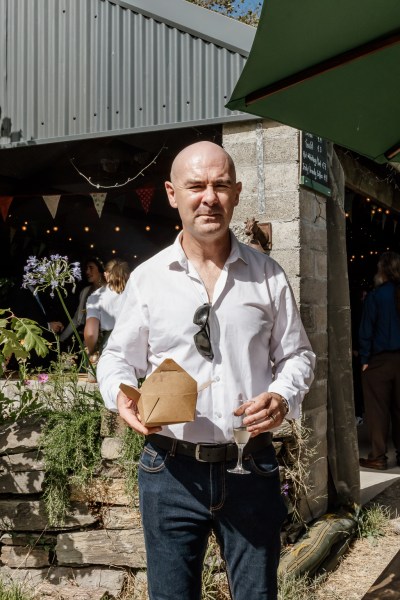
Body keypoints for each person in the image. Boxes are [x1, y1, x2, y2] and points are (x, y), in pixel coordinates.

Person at [97, 141, 315, 600]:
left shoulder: (268, 276)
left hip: (250, 465)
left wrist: (281, 396)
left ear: (236, 192)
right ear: (173, 194)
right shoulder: (149, 279)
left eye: (220, 185)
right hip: (169, 469)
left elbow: (298, 356)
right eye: (196, 186)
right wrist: (120, 393)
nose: (209, 197)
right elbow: (117, 356)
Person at [359, 251, 400, 471]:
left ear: (383, 270)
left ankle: (378, 456)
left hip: (379, 361)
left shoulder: (376, 296)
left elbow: (367, 329)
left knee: (377, 410)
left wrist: (364, 358)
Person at [84, 258, 130, 358]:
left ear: (105, 275)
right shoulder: (136, 293)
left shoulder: (96, 296)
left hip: (110, 345)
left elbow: (91, 333)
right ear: (127, 274)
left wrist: (91, 351)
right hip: (136, 343)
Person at [60, 256, 106, 346]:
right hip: (86, 343)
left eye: (91, 268)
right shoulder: (85, 291)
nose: (87, 272)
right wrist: (61, 339)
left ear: (100, 269)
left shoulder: (111, 290)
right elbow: (76, 320)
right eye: (86, 269)